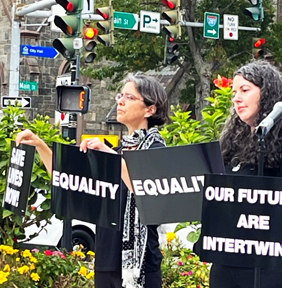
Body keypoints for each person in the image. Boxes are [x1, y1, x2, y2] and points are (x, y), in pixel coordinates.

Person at [16, 73, 169, 288]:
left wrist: (108, 155)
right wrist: (40, 145)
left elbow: (143, 188)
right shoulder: (119, 150)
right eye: (120, 95)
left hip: (141, 266)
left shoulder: (156, 150)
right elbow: (67, 181)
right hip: (106, 259)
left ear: (150, 109)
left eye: (130, 97)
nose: (121, 101)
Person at [210, 60, 282, 287]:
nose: (236, 98)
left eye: (245, 90)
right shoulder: (231, 144)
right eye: (234, 92)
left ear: (267, 92)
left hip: (266, 266)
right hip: (226, 262)